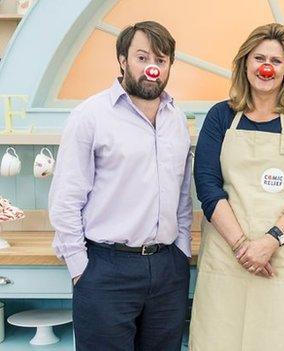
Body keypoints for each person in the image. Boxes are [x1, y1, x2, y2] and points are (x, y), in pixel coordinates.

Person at [49, 21, 192, 351]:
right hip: (105, 268)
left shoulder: (177, 119)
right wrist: (80, 268)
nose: (152, 68)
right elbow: (66, 197)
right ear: (122, 59)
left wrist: (181, 251)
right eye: (142, 58)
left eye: (161, 59)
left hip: (168, 268)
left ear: (170, 65)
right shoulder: (90, 115)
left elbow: (182, 195)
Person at [189, 23, 284, 350]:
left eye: (276, 61)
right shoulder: (220, 116)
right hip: (227, 255)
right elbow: (207, 186)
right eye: (259, 58)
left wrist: (270, 241)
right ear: (246, 63)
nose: (266, 67)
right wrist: (241, 246)